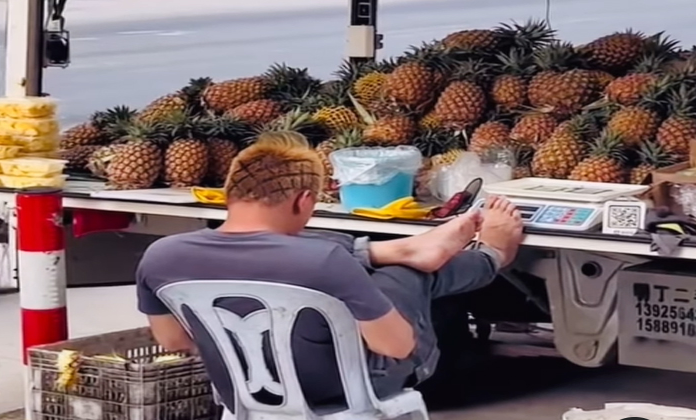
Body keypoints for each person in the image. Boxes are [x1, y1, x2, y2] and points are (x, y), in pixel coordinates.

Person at [136, 131, 524, 406]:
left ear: (229, 194)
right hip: (349, 389)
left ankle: (393, 251)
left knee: (332, 257)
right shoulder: (323, 260)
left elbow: (174, 343)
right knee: (406, 276)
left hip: (242, 389)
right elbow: (396, 347)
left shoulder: (160, 256)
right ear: (305, 201)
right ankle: (486, 255)